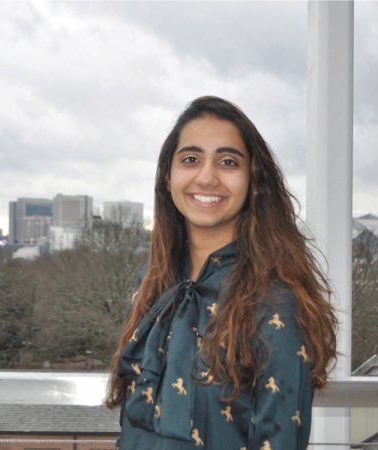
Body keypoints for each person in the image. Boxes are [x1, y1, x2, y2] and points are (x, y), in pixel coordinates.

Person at [106, 96, 338, 449]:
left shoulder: (275, 299)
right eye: (191, 159)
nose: (207, 176)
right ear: (168, 176)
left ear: (252, 180)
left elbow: (280, 438)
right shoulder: (153, 282)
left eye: (228, 161)